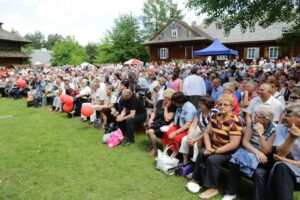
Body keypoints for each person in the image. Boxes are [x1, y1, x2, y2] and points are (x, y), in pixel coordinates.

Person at [186, 94, 242, 199]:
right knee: (202, 152)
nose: (221, 106)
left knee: (212, 159)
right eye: (220, 104)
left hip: (229, 151)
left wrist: (214, 151)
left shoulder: (235, 122)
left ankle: (212, 188)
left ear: (231, 107)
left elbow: (233, 144)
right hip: (214, 147)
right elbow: (207, 133)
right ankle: (196, 179)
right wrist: (208, 147)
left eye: (225, 105)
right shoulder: (215, 116)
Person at [223, 105, 276, 200]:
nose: (254, 116)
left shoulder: (274, 129)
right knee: (235, 161)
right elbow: (245, 141)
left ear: (266, 119)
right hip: (251, 149)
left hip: (264, 155)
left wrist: (260, 134)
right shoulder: (252, 123)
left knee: (258, 170)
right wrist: (256, 152)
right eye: (254, 114)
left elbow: (266, 151)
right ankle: (231, 193)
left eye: (257, 115)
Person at [268, 103, 300, 200]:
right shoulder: (281, 128)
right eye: (284, 114)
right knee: (280, 167)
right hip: (289, 170)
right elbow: (281, 154)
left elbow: (281, 158)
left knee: (281, 166)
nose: (283, 118)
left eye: (288, 115)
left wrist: (286, 161)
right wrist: (291, 138)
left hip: (293, 167)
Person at [179, 95, 217, 164]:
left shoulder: (213, 113)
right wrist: (189, 137)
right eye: (199, 103)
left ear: (207, 104)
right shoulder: (199, 111)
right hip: (201, 131)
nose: (199, 105)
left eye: (202, 104)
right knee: (185, 139)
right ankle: (185, 161)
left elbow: (207, 131)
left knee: (197, 144)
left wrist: (195, 140)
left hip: (210, 135)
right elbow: (193, 125)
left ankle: (194, 163)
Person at [146, 89, 177, 156]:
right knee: (147, 131)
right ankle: (154, 144)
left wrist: (166, 108)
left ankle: (155, 149)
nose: (170, 101)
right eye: (168, 99)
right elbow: (154, 112)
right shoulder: (160, 102)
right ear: (164, 97)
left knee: (150, 131)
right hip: (157, 123)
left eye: (171, 99)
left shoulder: (173, 106)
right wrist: (151, 119)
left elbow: (167, 119)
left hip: (165, 126)